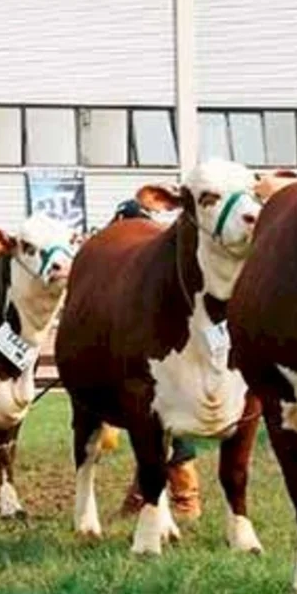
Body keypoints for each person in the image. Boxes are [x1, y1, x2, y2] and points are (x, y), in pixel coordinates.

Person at [109, 199, 202, 520]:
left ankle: (185, 496)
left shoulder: (159, 258)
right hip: (135, 348)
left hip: (169, 350)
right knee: (147, 424)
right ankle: (143, 494)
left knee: (168, 420)